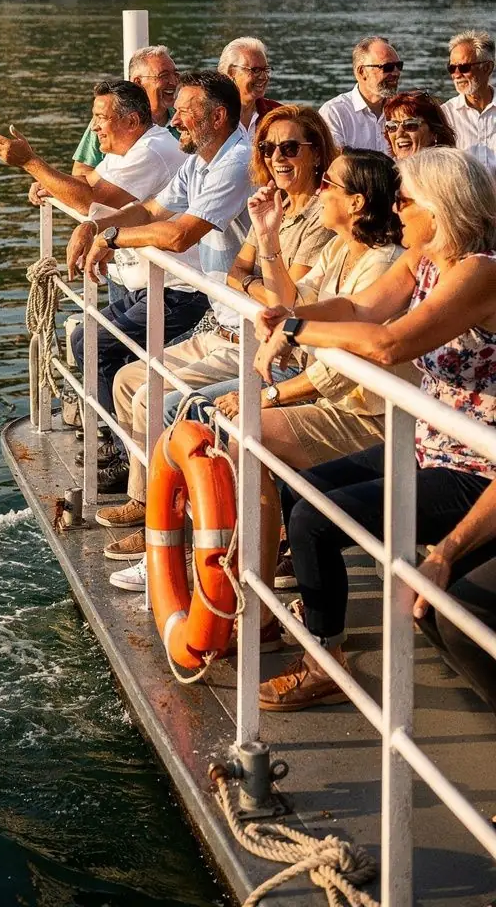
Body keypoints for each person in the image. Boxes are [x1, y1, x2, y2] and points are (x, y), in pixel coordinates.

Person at [251, 147, 496, 711]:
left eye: (406, 200)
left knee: (314, 520)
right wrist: (299, 320)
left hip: (476, 467)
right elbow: (362, 311)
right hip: (432, 446)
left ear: (440, 209)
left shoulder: (479, 271)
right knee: (302, 490)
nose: (396, 209)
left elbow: (390, 344)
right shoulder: (424, 257)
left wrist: (297, 329)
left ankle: (322, 661)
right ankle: (323, 636)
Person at [99, 106, 337, 568]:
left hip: (279, 352)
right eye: (268, 149)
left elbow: (288, 301)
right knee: (129, 379)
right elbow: (239, 273)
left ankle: (179, 539)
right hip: (243, 331)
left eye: (289, 148)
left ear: (317, 153)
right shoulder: (276, 202)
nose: (276, 158)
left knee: (162, 401)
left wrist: (257, 280)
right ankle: (153, 510)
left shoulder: (320, 217)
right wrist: (255, 283)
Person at [212, 149, 403, 640]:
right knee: (238, 429)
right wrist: (269, 236)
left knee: (245, 435)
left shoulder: (384, 264)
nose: (320, 190)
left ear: (356, 203)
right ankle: (253, 571)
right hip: (336, 406)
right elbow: (291, 303)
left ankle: (252, 583)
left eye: (331, 185)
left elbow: (343, 373)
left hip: (372, 418)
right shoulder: (342, 250)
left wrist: (270, 397)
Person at [67, 71, 252, 487]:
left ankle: (156, 506)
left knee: (151, 394)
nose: (174, 121)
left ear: (218, 116)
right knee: (127, 377)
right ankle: (142, 494)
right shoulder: (201, 161)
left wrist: (113, 238)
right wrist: (97, 228)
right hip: (223, 327)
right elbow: (151, 211)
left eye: (185, 113)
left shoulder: (236, 163)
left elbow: (179, 234)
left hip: (246, 332)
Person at [0, 79, 184, 219]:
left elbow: (92, 202)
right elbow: (88, 182)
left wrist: (30, 162)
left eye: (101, 117)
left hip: (168, 274)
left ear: (132, 121)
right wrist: (50, 184)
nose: (94, 127)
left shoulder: (151, 150)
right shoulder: (129, 145)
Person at [413, 480, 496, 714]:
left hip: (465, 469)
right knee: (427, 595)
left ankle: (325, 668)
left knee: (462, 612)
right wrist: (443, 555)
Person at [71, 46, 180, 178]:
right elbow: (81, 172)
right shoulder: (106, 122)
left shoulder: (186, 120)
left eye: (176, 74)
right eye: (164, 75)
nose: (174, 82)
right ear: (138, 82)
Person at [319, 36, 403, 152]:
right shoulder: (334, 113)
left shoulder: (404, 111)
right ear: (362, 72)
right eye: (387, 67)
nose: (396, 72)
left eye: (399, 66)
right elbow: (336, 163)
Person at [442, 30, 496, 172]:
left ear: (487, 68)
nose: (457, 75)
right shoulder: (445, 115)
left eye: (464, 68)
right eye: (452, 68)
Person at [218, 37, 281, 134]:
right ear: (231, 73)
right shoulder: (212, 115)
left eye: (266, 70)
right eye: (255, 70)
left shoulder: (278, 114)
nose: (263, 77)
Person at [381, 91, 456, 159]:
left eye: (410, 125)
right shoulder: (385, 172)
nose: (399, 133)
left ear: (434, 133)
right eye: (392, 126)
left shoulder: (451, 170)